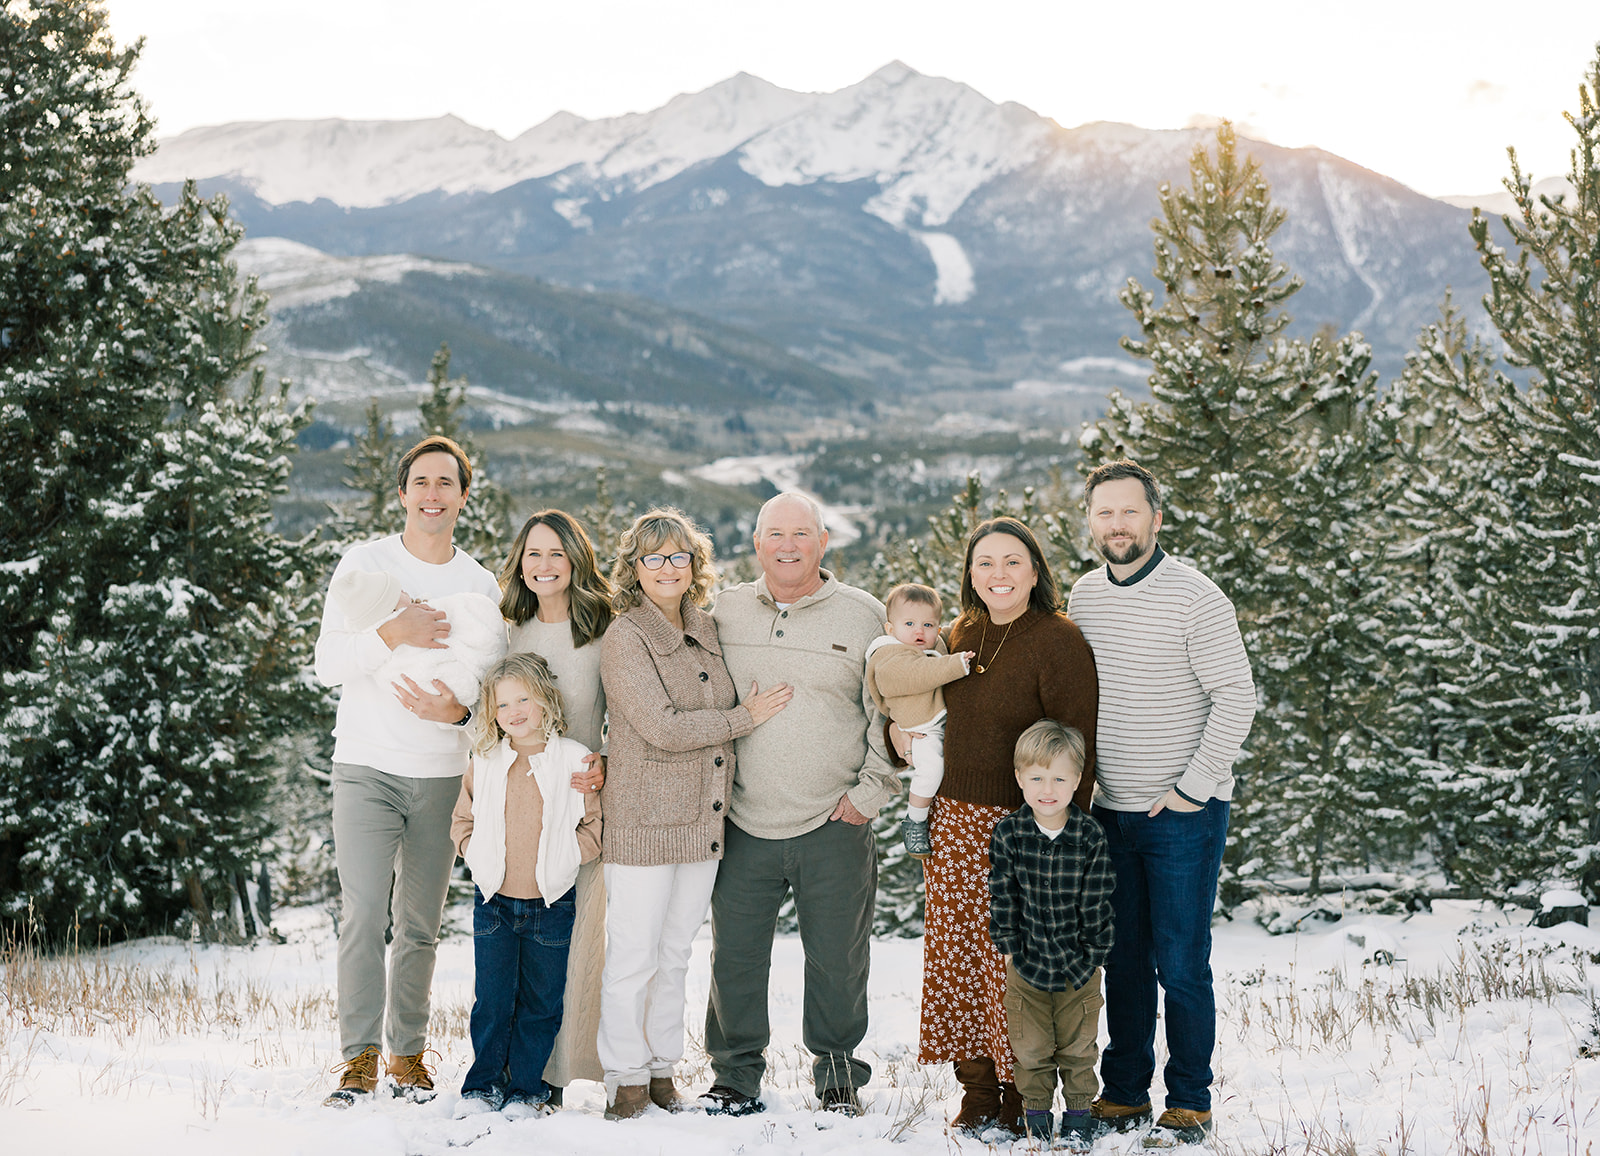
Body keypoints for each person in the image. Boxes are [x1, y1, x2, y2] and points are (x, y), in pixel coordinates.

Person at [1067, 459, 1256, 1148]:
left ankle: (1189, 1099)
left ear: (1155, 516)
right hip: (1109, 812)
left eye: (1129, 511)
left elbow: (1236, 699)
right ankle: (1124, 1092)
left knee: (1179, 958)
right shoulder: (1085, 597)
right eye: (1105, 513)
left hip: (1182, 813)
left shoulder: (1196, 597)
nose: (1117, 524)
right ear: (1091, 521)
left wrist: (1190, 789)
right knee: (1122, 957)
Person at [313, 435, 502, 1107]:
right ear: (401, 493)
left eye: (445, 483)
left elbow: (488, 687)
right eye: (420, 482)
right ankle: (358, 1057)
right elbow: (327, 665)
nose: (431, 494)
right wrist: (398, 632)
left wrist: (457, 710)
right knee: (365, 914)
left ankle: (407, 1056)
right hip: (365, 767)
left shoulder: (479, 583)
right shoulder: (365, 567)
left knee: (419, 923)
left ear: (462, 495)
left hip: (443, 775)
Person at [702, 492, 899, 1118]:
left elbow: (889, 713)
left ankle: (838, 1073)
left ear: (823, 541)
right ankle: (735, 1075)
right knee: (733, 954)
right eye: (775, 533)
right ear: (757, 542)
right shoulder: (724, 611)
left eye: (802, 533)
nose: (788, 544)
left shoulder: (863, 616)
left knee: (838, 955)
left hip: (832, 819)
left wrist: (869, 796)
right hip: (740, 817)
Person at [596, 509, 793, 1119]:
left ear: (694, 565)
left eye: (679, 556)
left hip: (703, 819)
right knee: (633, 953)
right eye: (653, 557)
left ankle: (660, 1068)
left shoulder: (707, 627)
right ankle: (624, 1074)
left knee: (677, 951)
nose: (667, 567)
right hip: (643, 817)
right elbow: (658, 726)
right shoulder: (625, 636)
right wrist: (744, 720)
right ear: (635, 568)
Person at [905, 516, 1098, 1137]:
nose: (998, 574)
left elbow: (1078, 742)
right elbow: (927, 710)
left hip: (1024, 826)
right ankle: (978, 1091)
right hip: (955, 820)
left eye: (1012, 561)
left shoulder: (1058, 639)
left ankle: (1023, 1094)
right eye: (984, 562)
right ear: (970, 573)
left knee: (1013, 962)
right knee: (958, 957)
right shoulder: (961, 631)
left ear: (1035, 571)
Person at [449, 653, 602, 1118]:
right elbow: (462, 818)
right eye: (502, 705)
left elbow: (592, 825)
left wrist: (567, 858)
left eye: (524, 699)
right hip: (493, 901)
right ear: (492, 713)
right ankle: (482, 1087)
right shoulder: (486, 758)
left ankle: (528, 1090)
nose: (514, 711)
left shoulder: (574, 757)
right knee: (493, 1002)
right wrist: (472, 850)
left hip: (551, 903)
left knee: (540, 1003)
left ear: (545, 700)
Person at [499, 510, 611, 1102]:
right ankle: (514, 1068)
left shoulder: (603, 629)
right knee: (516, 948)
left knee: (576, 944)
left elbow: (628, 712)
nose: (543, 566)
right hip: (519, 804)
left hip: (579, 803)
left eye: (555, 554)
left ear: (575, 560)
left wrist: (608, 762)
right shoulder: (509, 630)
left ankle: (559, 1073)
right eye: (532, 554)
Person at [988, 720, 1114, 1152]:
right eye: (1037, 777)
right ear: (1020, 777)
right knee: (1030, 1047)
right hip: (1026, 964)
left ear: (1077, 780)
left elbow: (1098, 898)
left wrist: (1095, 953)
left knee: (1079, 1047)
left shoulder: (1089, 834)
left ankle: (1079, 1118)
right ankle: (1037, 1119)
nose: (1048, 788)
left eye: (1059, 778)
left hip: (1079, 967)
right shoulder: (1009, 833)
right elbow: (1002, 892)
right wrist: (1007, 947)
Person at [864, 582, 973, 858]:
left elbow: (943, 641)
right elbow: (919, 673)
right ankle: (915, 819)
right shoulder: (889, 658)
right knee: (932, 767)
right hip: (918, 730)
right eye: (910, 623)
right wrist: (956, 665)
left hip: (936, 722)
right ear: (891, 629)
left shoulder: (929, 643)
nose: (919, 631)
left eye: (928, 624)